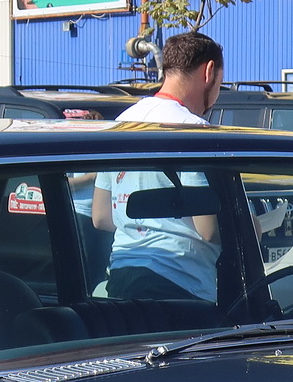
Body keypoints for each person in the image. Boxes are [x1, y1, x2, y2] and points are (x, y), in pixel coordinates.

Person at [91, 33, 226, 300]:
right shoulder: (195, 131)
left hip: (120, 277)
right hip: (181, 283)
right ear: (209, 72)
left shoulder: (120, 123)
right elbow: (209, 229)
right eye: (222, 82)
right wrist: (250, 227)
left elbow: (101, 216)